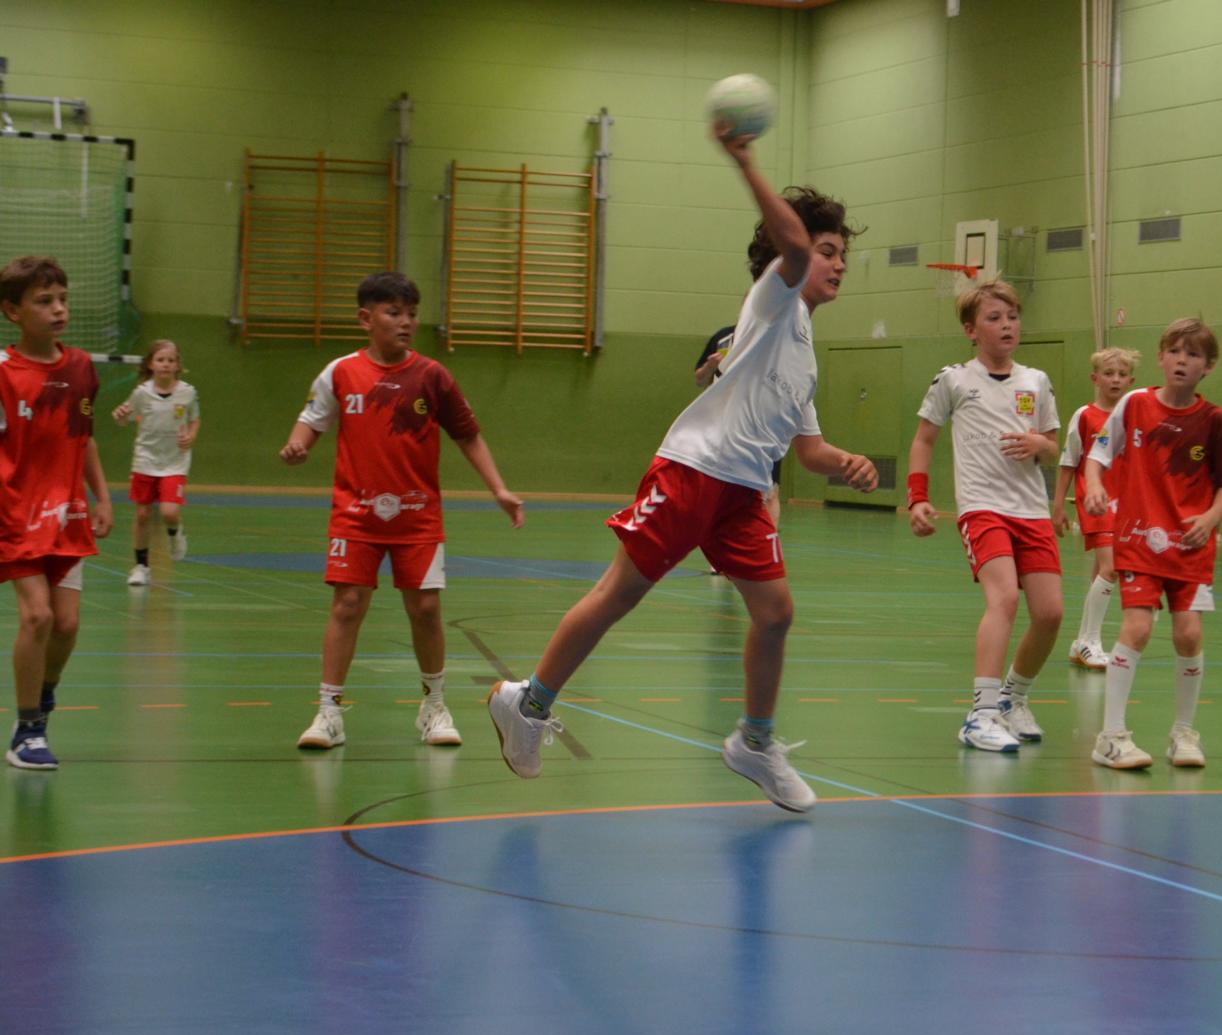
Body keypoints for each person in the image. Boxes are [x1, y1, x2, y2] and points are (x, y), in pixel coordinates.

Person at [487, 123, 877, 812]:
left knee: (776, 613)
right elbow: (790, 246)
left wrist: (845, 463)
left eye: (843, 254)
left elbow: (808, 451)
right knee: (620, 594)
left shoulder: (805, 357)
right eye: (828, 251)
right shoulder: (774, 298)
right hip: (695, 470)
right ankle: (529, 703)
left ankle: (754, 742)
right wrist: (746, 160)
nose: (838, 263)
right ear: (789, 253)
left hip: (743, 493)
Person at [280, 271, 523, 751]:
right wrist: (297, 445)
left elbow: (468, 435)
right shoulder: (340, 373)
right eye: (394, 313)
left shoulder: (432, 376)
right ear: (365, 319)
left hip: (417, 516)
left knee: (426, 609)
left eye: (412, 313)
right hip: (355, 515)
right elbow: (311, 420)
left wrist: (498, 488)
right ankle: (329, 713)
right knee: (347, 606)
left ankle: (434, 706)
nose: (406, 322)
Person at [1082, 318, 1222, 769]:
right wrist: (1094, 485)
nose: (1181, 360)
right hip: (1139, 539)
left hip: (1190, 545)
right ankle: (1111, 736)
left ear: (1208, 366)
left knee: (1188, 634)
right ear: (1160, 357)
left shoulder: (1215, 420)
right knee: (1137, 628)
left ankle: (1183, 733)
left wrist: (1210, 519)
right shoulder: (1134, 404)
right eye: (1174, 351)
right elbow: (1098, 453)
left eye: (1193, 354)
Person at [908, 281, 1063, 753]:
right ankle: (980, 714)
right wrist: (918, 497)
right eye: (994, 318)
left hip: (1031, 510)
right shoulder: (954, 380)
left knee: (1051, 613)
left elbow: (1054, 447)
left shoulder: (1036, 381)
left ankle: (1014, 698)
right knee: (1004, 599)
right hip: (982, 507)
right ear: (971, 330)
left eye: (1012, 317)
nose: (1007, 325)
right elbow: (924, 439)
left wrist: (1039, 445)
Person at [0, 255, 114, 770]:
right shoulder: (4, 372)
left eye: (63, 299)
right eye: (44, 301)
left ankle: (43, 695)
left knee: (66, 624)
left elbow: (82, 437)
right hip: (15, 513)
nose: (59, 309)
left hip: (67, 513)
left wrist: (102, 496)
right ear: (13, 312)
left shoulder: (81, 368)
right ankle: (28, 731)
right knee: (38, 615)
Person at [1052, 346, 1138, 670]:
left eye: (1121, 374)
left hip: (1126, 504)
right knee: (1111, 568)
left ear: (1131, 380)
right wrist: (1058, 506)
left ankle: (1081, 642)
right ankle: (1091, 642)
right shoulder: (1085, 416)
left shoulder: (1134, 416)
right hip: (1096, 501)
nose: (1115, 380)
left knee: (1101, 572)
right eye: (1108, 373)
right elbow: (1068, 463)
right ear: (1095, 378)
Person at [111, 339, 198, 586]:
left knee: (169, 512)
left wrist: (191, 436)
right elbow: (124, 418)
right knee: (142, 514)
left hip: (175, 460)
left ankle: (175, 533)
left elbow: (194, 419)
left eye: (171, 360)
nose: (166, 364)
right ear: (151, 364)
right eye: (160, 360)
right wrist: (119, 416)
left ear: (177, 365)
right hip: (145, 459)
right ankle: (141, 566)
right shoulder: (142, 393)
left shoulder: (187, 392)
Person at [695, 324, 781, 527]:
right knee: (717, 485)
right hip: (723, 424)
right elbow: (699, 379)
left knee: (770, 490)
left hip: (763, 424)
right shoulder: (722, 337)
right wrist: (710, 366)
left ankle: (768, 538)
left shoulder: (776, 338)